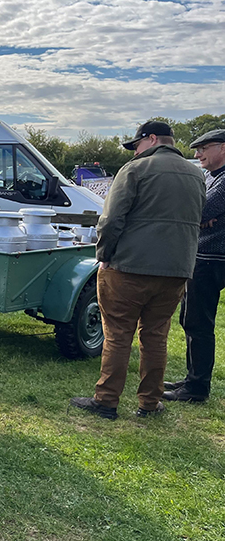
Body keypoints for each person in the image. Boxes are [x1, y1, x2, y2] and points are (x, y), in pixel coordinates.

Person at [70, 120, 206, 420]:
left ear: (152, 139)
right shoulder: (197, 174)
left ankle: (106, 401)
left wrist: (103, 254)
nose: (135, 152)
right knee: (156, 336)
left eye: (137, 145)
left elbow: (111, 218)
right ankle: (149, 403)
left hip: (129, 267)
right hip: (176, 270)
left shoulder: (135, 170)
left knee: (118, 335)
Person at [163, 129, 225, 403]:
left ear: (222, 149)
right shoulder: (213, 178)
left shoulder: (223, 181)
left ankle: (197, 387)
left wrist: (198, 218)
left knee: (198, 322)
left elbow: (195, 212)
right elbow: (199, 213)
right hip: (204, 257)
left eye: (204, 148)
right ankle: (193, 378)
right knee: (191, 320)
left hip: (211, 260)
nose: (197, 154)